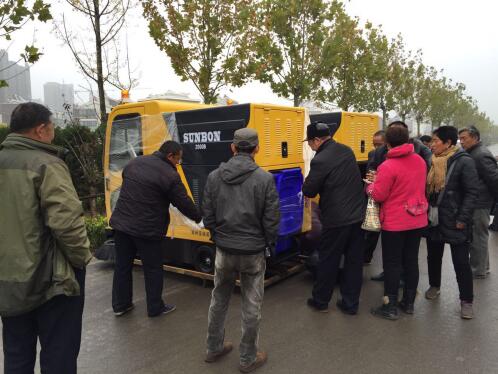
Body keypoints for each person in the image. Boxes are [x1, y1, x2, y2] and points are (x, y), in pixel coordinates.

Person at [0, 102, 92, 373]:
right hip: (51, 280)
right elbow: (66, 222)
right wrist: (82, 260)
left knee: (16, 355)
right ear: (41, 129)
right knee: (59, 355)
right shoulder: (47, 164)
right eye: (52, 127)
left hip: (8, 280)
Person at [203, 128, 280, 373]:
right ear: (256, 148)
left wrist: (217, 236)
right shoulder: (264, 179)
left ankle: (213, 348)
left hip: (224, 249)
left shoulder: (214, 176)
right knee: (251, 304)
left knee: (219, 298)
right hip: (253, 251)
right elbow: (271, 219)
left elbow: (208, 214)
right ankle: (247, 358)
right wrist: (269, 244)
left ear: (233, 148)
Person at [110, 140, 201, 317]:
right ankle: (155, 307)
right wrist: (200, 217)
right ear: (170, 156)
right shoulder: (169, 175)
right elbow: (183, 202)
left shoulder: (135, 163)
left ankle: (121, 305)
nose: (178, 163)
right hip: (146, 229)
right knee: (152, 268)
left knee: (122, 266)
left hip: (121, 225)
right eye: (178, 160)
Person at [303, 122, 366, 315]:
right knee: (354, 262)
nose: (310, 146)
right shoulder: (346, 150)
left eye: (310, 143)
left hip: (336, 219)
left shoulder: (320, 159)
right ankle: (350, 304)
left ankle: (321, 301)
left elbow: (309, 190)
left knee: (328, 260)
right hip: (357, 216)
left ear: (316, 140)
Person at [366, 125, 428, 320]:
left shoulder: (387, 165)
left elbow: (379, 194)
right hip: (417, 218)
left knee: (392, 264)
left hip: (395, 222)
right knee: (411, 261)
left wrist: (370, 186)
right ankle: (408, 303)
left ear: (387, 143)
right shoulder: (419, 160)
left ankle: (390, 306)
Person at [425, 126, 478, 319]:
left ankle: (466, 301)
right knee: (433, 256)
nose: (432, 145)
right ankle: (434, 285)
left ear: (448, 143)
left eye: (435, 141)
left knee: (461, 263)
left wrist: (463, 218)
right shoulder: (431, 161)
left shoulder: (464, 162)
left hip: (456, 220)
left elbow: (472, 193)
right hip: (434, 217)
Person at [458, 126, 498, 278]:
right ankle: (482, 267)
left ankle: (477, 270)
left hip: (480, 203)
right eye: (460, 138)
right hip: (476, 201)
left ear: (474, 137)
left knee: (478, 237)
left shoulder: (480, 154)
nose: (461, 142)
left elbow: (494, 180)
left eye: (464, 138)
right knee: (478, 236)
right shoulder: (474, 152)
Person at [364, 130, 386, 264]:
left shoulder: (390, 157)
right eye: (374, 145)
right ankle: (366, 257)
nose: (376, 148)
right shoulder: (371, 154)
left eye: (379, 145)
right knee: (371, 229)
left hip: (385, 195)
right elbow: (369, 172)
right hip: (372, 194)